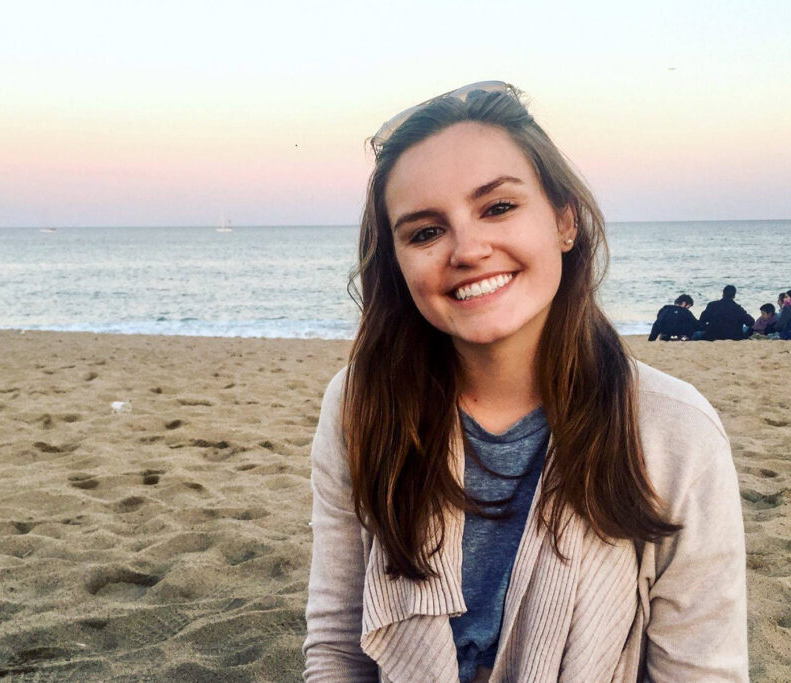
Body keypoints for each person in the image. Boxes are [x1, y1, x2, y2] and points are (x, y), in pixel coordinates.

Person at [303, 82, 747, 682]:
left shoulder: (674, 431)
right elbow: (338, 643)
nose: (468, 249)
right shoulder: (362, 405)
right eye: (425, 232)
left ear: (564, 220)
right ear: (398, 262)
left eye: (498, 207)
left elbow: (701, 671)